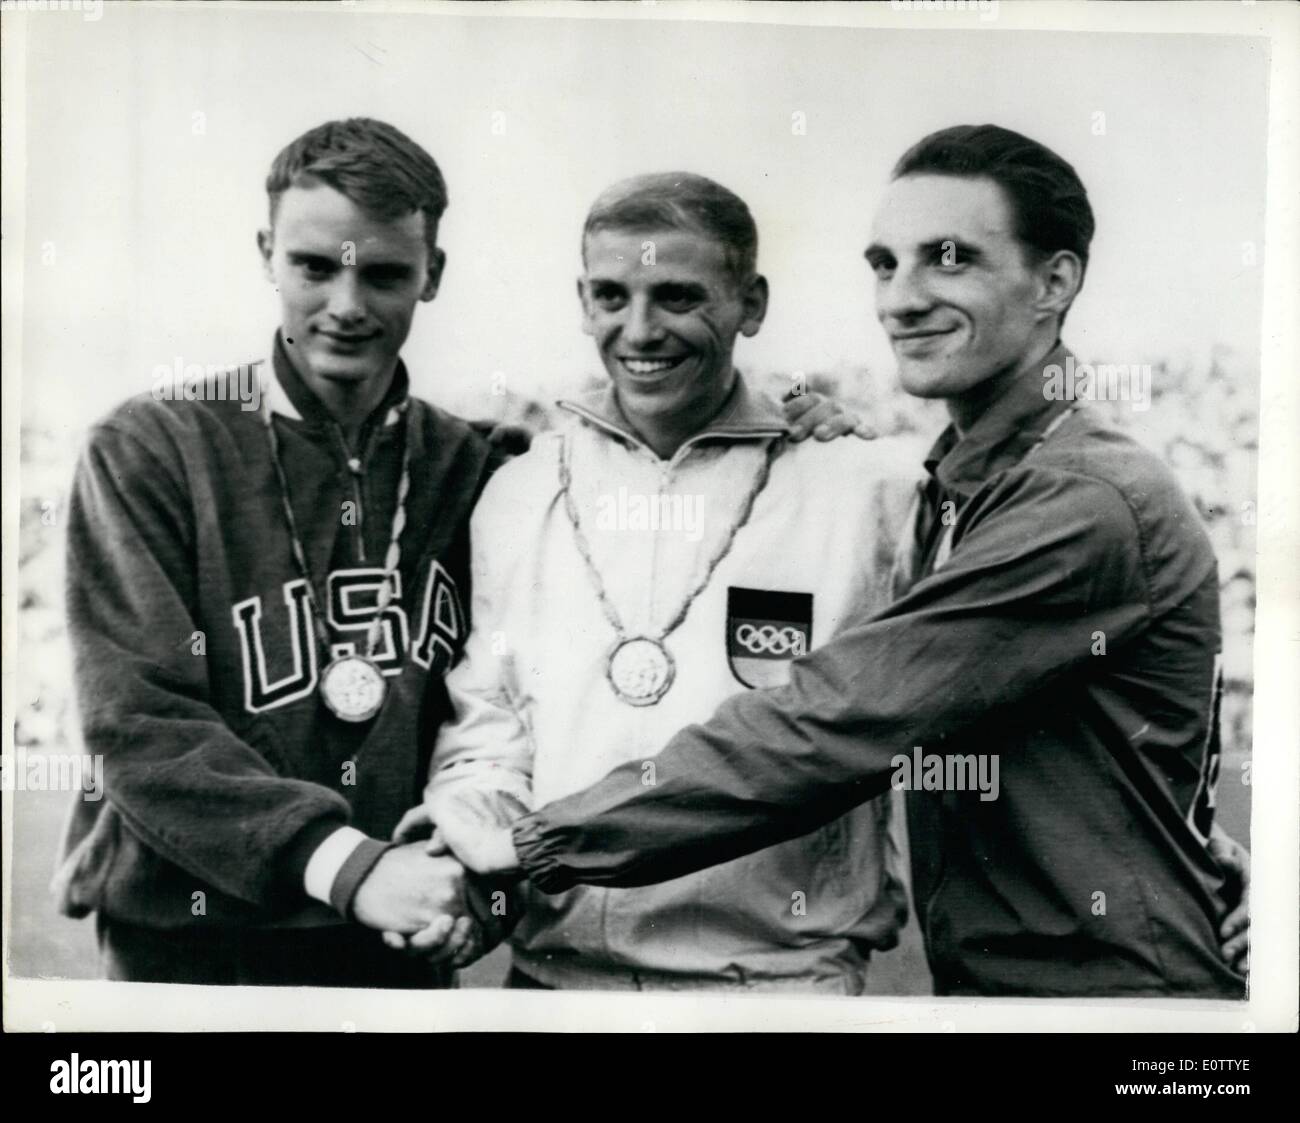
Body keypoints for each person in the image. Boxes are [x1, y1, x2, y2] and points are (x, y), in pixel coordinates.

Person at [435, 125, 1252, 998]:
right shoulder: (954, 481)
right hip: (1007, 988)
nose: (901, 298)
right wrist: (1198, 842)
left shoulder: (1077, 496)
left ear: (1055, 280)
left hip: (1109, 1007)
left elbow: (833, 723)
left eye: (948, 259)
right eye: (884, 264)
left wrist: (535, 841)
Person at [53, 118, 857, 987]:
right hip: (194, 932)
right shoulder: (151, 448)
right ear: (267, 254)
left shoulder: (479, 467)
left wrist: (790, 422)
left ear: (432, 274)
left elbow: (511, 708)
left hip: (402, 928)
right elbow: (137, 724)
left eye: (386, 273)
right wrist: (346, 865)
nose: (348, 305)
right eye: (315, 266)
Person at [397, 173, 918, 993]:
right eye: (611, 295)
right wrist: (474, 864)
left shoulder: (864, 491)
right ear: (582, 300)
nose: (639, 330)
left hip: (772, 989)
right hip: (552, 988)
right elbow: (490, 725)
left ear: (751, 304)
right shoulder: (522, 490)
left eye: (677, 297)